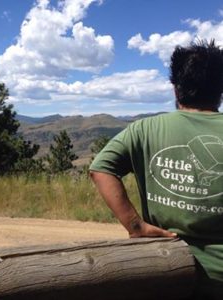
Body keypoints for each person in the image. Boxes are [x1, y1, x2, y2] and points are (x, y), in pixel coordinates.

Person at [89, 40, 223, 299]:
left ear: (175, 89)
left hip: (166, 271)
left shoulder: (144, 129)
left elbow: (100, 168)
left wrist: (135, 225)